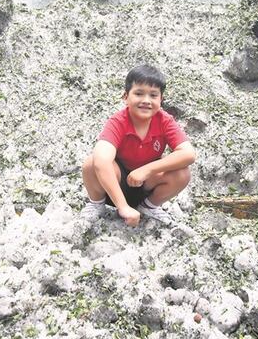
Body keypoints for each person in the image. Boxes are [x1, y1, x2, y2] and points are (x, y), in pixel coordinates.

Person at [81, 64, 196, 226]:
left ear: (161, 99)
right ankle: (96, 204)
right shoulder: (118, 122)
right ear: (125, 97)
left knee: (182, 172)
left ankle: (149, 207)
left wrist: (146, 170)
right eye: (139, 93)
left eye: (153, 95)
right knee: (91, 163)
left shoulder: (165, 121)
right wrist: (123, 207)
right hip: (114, 187)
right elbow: (101, 160)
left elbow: (188, 154)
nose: (146, 101)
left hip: (146, 185)